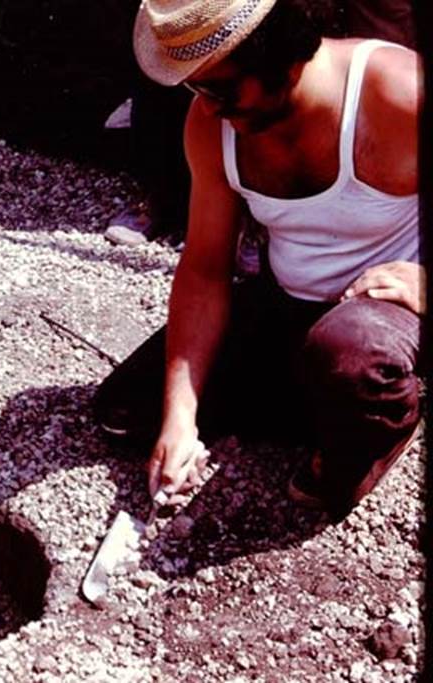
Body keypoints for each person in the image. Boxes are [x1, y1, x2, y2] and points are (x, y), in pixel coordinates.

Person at [92, 0, 422, 515]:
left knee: (348, 359)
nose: (210, 106)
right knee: (124, 410)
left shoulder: (397, 92)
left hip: (377, 314)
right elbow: (204, 270)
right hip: (289, 304)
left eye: (222, 88)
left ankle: (386, 418)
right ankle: (326, 403)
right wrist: (181, 418)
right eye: (195, 87)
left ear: (284, 54)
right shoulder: (209, 123)